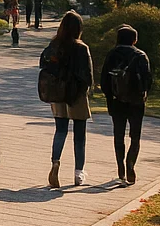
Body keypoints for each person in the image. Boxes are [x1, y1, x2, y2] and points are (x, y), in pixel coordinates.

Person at [42, 11, 95, 188]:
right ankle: (78, 173)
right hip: (76, 95)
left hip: (58, 94)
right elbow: (88, 75)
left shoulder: (54, 44)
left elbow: (44, 64)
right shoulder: (82, 48)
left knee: (60, 131)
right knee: (80, 136)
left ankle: (55, 162)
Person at [100, 24, 152, 186]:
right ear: (134, 40)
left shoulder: (112, 54)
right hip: (136, 102)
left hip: (117, 101)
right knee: (135, 136)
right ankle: (131, 164)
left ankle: (120, 167)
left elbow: (104, 81)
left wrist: (110, 97)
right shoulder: (141, 56)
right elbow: (148, 81)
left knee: (119, 135)